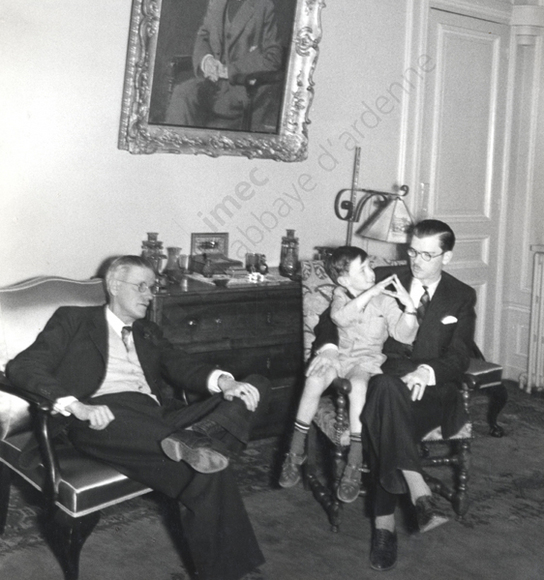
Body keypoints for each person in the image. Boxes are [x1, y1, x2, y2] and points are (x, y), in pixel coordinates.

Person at [7, 255, 269, 580]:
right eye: (141, 286)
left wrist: (226, 382)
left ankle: (197, 434)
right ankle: (229, 569)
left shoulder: (148, 331)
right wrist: (74, 405)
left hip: (160, 416)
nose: (149, 294)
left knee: (255, 385)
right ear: (114, 285)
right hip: (101, 415)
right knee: (208, 465)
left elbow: (181, 364)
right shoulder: (74, 319)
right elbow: (22, 366)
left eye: (152, 286)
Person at [313, 220, 476, 571]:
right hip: (384, 380)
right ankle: (418, 494)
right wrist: (327, 346)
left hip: (431, 391)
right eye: (412, 251)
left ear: (446, 256)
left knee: (383, 411)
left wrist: (427, 371)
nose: (416, 261)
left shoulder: (461, 296)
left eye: (427, 255)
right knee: (385, 391)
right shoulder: (382, 277)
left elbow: (461, 355)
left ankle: (384, 528)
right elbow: (332, 318)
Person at [279, 246, 418, 504]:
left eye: (369, 266)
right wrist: (369, 293)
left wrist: (409, 309)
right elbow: (340, 318)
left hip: (365, 361)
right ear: (344, 280)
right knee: (314, 379)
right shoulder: (339, 295)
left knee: (358, 387)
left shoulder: (385, 299)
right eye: (362, 269)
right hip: (338, 357)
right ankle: (294, 452)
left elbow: (404, 334)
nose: (370, 273)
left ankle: (354, 463)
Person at [166, 0, 284, 132]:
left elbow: (273, 57)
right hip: (210, 84)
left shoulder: (264, 5)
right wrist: (206, 60)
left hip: (242, 89)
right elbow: (203, 35)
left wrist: (229, 71)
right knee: (182, 94)